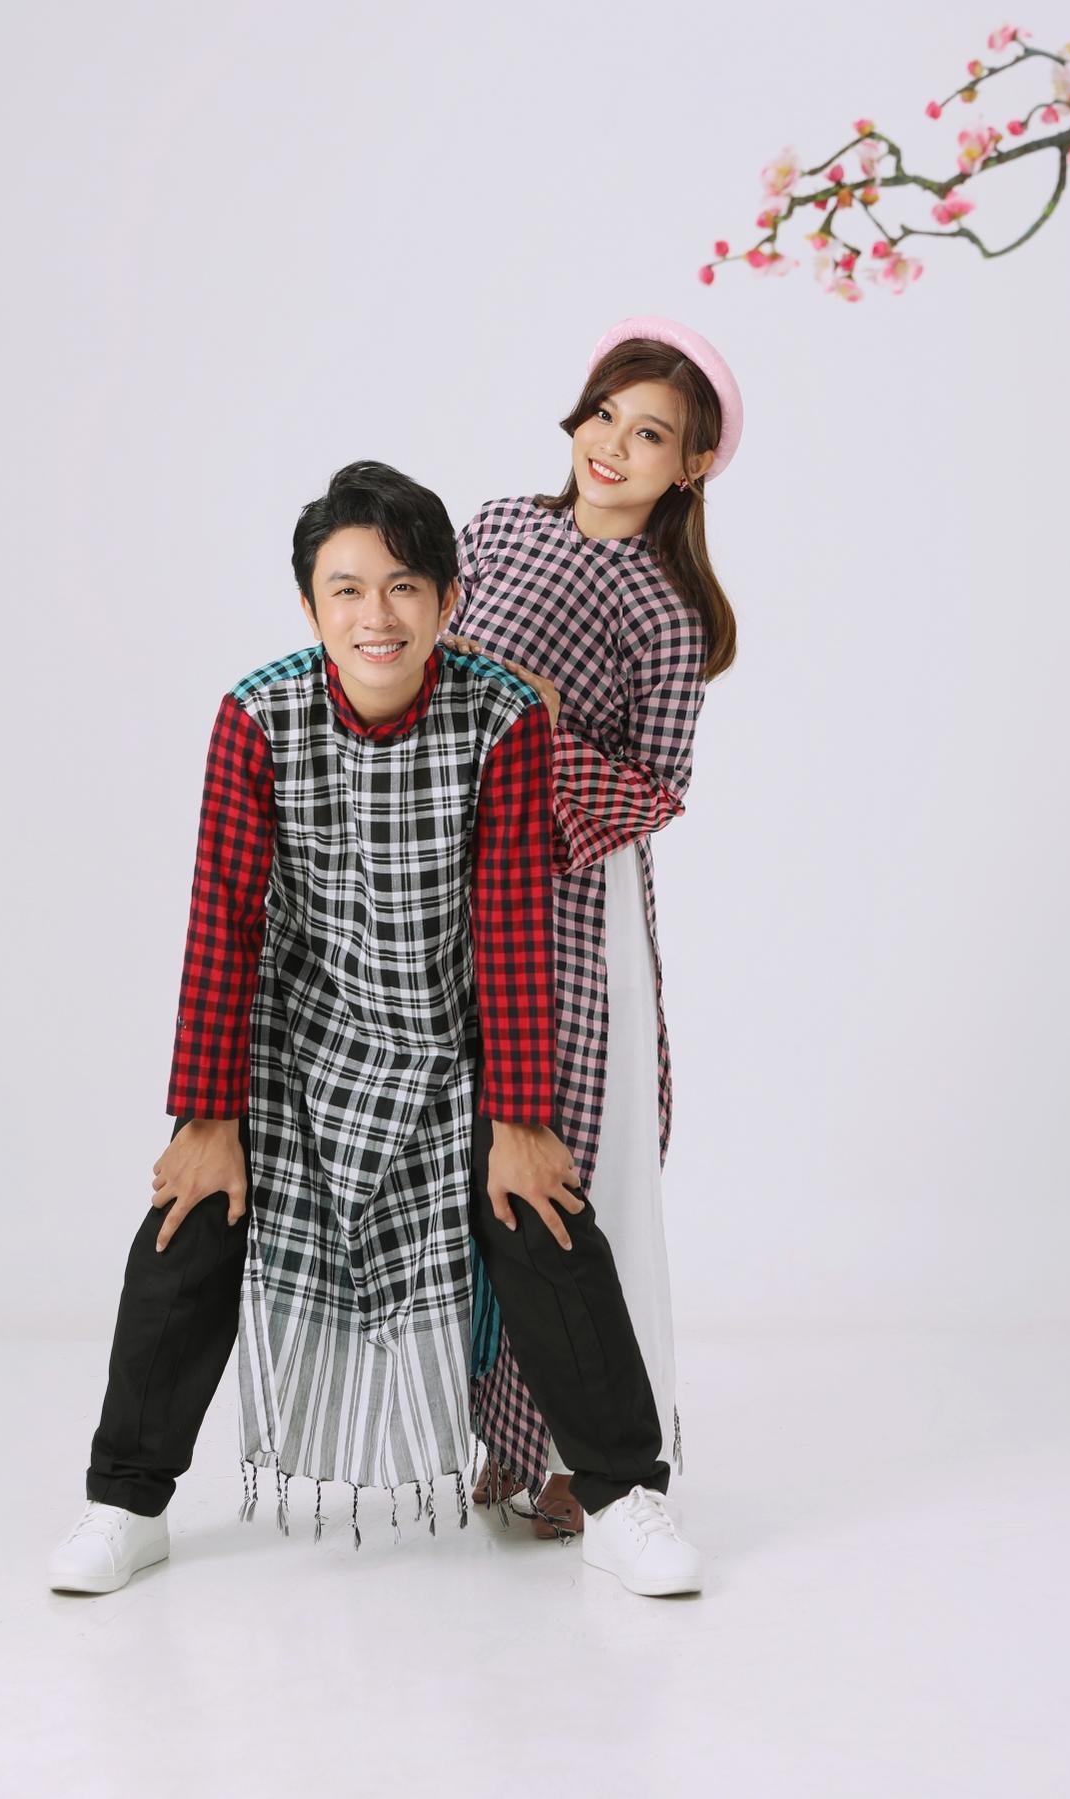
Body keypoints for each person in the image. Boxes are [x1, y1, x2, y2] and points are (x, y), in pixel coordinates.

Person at [47, 460, 703, 1599]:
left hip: (452, 1041)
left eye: (403, 586)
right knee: (189, 1218)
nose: (376, 615)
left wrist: (519, 1120)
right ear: (310, 607)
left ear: (447, 598)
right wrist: (206, 1117)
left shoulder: (501, 717)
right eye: (346, 589)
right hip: (297, 1040)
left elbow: (511, 924)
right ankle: (124, 1501)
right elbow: (223, 922)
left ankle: (620, 1496)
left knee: (543, 1213)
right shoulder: (257, 713)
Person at [447, 316, 741, 1537]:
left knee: (567, 1159)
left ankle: (593, 1448)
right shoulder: (496, 527)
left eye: (650, 434)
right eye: (604, 415)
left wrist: (541, 731)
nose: (613, 446)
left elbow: (657, 787)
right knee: (458, 1155)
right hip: (446, 875)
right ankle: (499, 1433)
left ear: (691, 465)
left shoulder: (665, 611)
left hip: (571, 902)